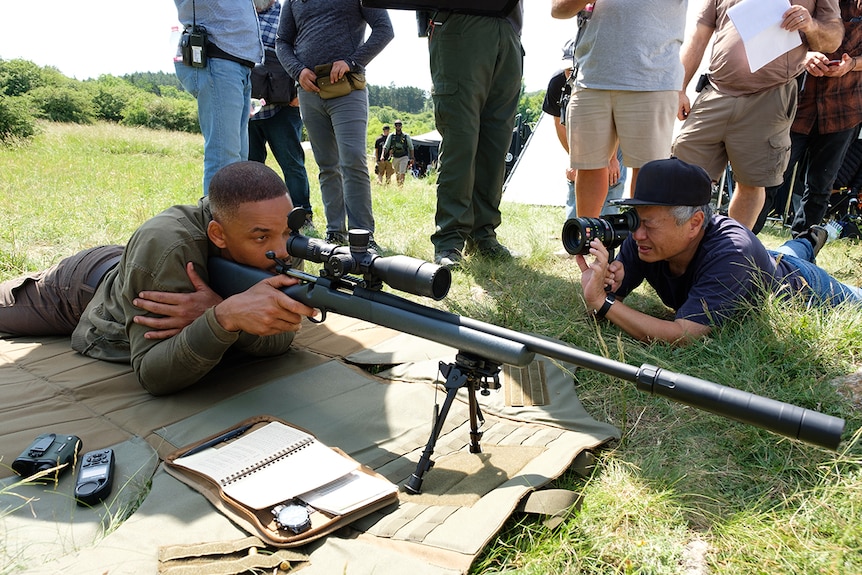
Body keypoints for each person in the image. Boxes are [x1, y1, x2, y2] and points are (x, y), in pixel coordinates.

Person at [0, 162, 317, 395]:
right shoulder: (167, 244)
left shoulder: (282, 237)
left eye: (287, 233)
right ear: (218, 235)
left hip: (140, 266)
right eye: (261, 238)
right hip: (79, 290)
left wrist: (218, 309)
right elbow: (153, 375)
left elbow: (282, 335)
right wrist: (221, 318)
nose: (281, 250)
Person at [576, 158, 862, 345]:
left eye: (649, 224)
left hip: (802, 285)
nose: (637, 234)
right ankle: (807, 241)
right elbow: (611, 304)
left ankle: (805, 244)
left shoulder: (733, 254)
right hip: (766, 260)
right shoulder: (644, 239)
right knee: (784, 252)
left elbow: (682, 336)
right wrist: (601, 287)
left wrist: (603, 303)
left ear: (694, 223)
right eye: (637, 220)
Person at [672, 0, 843, 230]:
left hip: (770, 96)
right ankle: (677, 252)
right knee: (682, 176)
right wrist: (680, 88)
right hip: (715, 91)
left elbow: (833, 39)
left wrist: (810, 25)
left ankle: (731, 254)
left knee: (751, 184)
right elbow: (699, 35)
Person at [551, 0, 686, 219]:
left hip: (652, 80)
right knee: (588, 168)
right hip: (591, 78)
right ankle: (586, 247)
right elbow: (558, 9)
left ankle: (639, 251)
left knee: (648, 173)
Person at [276, 0, 393, 248]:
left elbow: (384, 29)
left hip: (347, 89)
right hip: (309, 91)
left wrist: (351, 61)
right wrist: (297, 71)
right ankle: (335, 233)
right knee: (327, 165)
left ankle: (363, 236)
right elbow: (282, 42)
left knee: (352, 160)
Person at [427, 2, 524, 268]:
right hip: (461, 19)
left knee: (496, 143)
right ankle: (450, 239)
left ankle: (483, 235)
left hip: (508, 27)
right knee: (461, 142)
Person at [754, 0, 862, 236]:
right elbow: (770, 37)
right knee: (768, 179)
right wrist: (804, 56)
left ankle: (800, 252)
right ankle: (741, 247)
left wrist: (852, 64)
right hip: (795, 106)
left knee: (820, 189)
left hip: (844, 110)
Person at [173, 0, 263, 195]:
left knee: (237, 159)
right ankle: (217, 222)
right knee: (224, 158)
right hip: (219, 58)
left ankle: (231, 221)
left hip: (239, 64)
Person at [541, 39, 626, 223]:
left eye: (575, 68)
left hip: (614, 137)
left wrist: (611, 159)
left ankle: (604, 242)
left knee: (612, 178)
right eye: (568, 68)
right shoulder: (557, 83)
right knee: (576, 178)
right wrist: (575, 159)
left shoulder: (607, 79)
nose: (570, 73)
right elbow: (560, 124)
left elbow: (617, 121)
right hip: (581, 139)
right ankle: (576, 239)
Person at [248, 0, 314, 231]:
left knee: (292, 164)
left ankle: (302, 216)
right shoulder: (241, 12)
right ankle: (254, 216)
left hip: (283, 107)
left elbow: (305, 52)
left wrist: (298, 94)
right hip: (248, 109)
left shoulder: (288, 12)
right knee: (251, 166)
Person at [382, 120, 414, 186]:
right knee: (397, 173)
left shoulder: (406, 136)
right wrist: (382, 156)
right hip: (395, 157)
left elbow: (411, 147)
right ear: (394, 126)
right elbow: (386, 146)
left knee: (402, 172)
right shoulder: (391, 136)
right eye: (396, 125)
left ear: (401, 126)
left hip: (404, 157)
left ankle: (401, 186)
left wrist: (412, 158)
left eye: (399, 125)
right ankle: (398, 186)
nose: (398, 127)